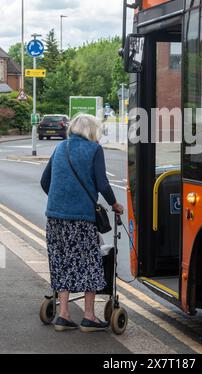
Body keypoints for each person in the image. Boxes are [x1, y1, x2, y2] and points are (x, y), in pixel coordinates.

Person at [40, 113, 124, 333]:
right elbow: (103, 184)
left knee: (61, 261)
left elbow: (44, 181)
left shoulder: (60, 148)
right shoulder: (94, 150)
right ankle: (88, 317)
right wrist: (115, 204)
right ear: (91, 131)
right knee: (89, 263)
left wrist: (61, 200)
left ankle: (63, 315)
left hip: (55, 218)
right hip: (81, 219)